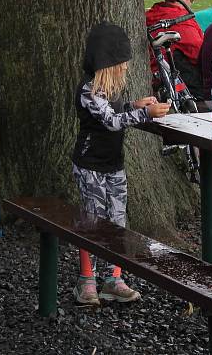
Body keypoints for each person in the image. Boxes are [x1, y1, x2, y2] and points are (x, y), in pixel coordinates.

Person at [72, 22, 171, 306]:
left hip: (113, 165)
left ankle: (113, 278)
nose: (126, 68)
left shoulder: (109, 92)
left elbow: (116, 111)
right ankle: (86, 280)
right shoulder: (88, 90)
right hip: (90, 165)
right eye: (122, 63)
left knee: (117, 222)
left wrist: (135, 106)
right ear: (108, 63)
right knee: (92, 221)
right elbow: (111, 121)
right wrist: (147, 115)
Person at [146, 0, 204, 95]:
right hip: (173, 80)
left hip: (151, 72)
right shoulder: (181, 20)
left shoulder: (150, 15)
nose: (190, 3)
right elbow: (198, 52)